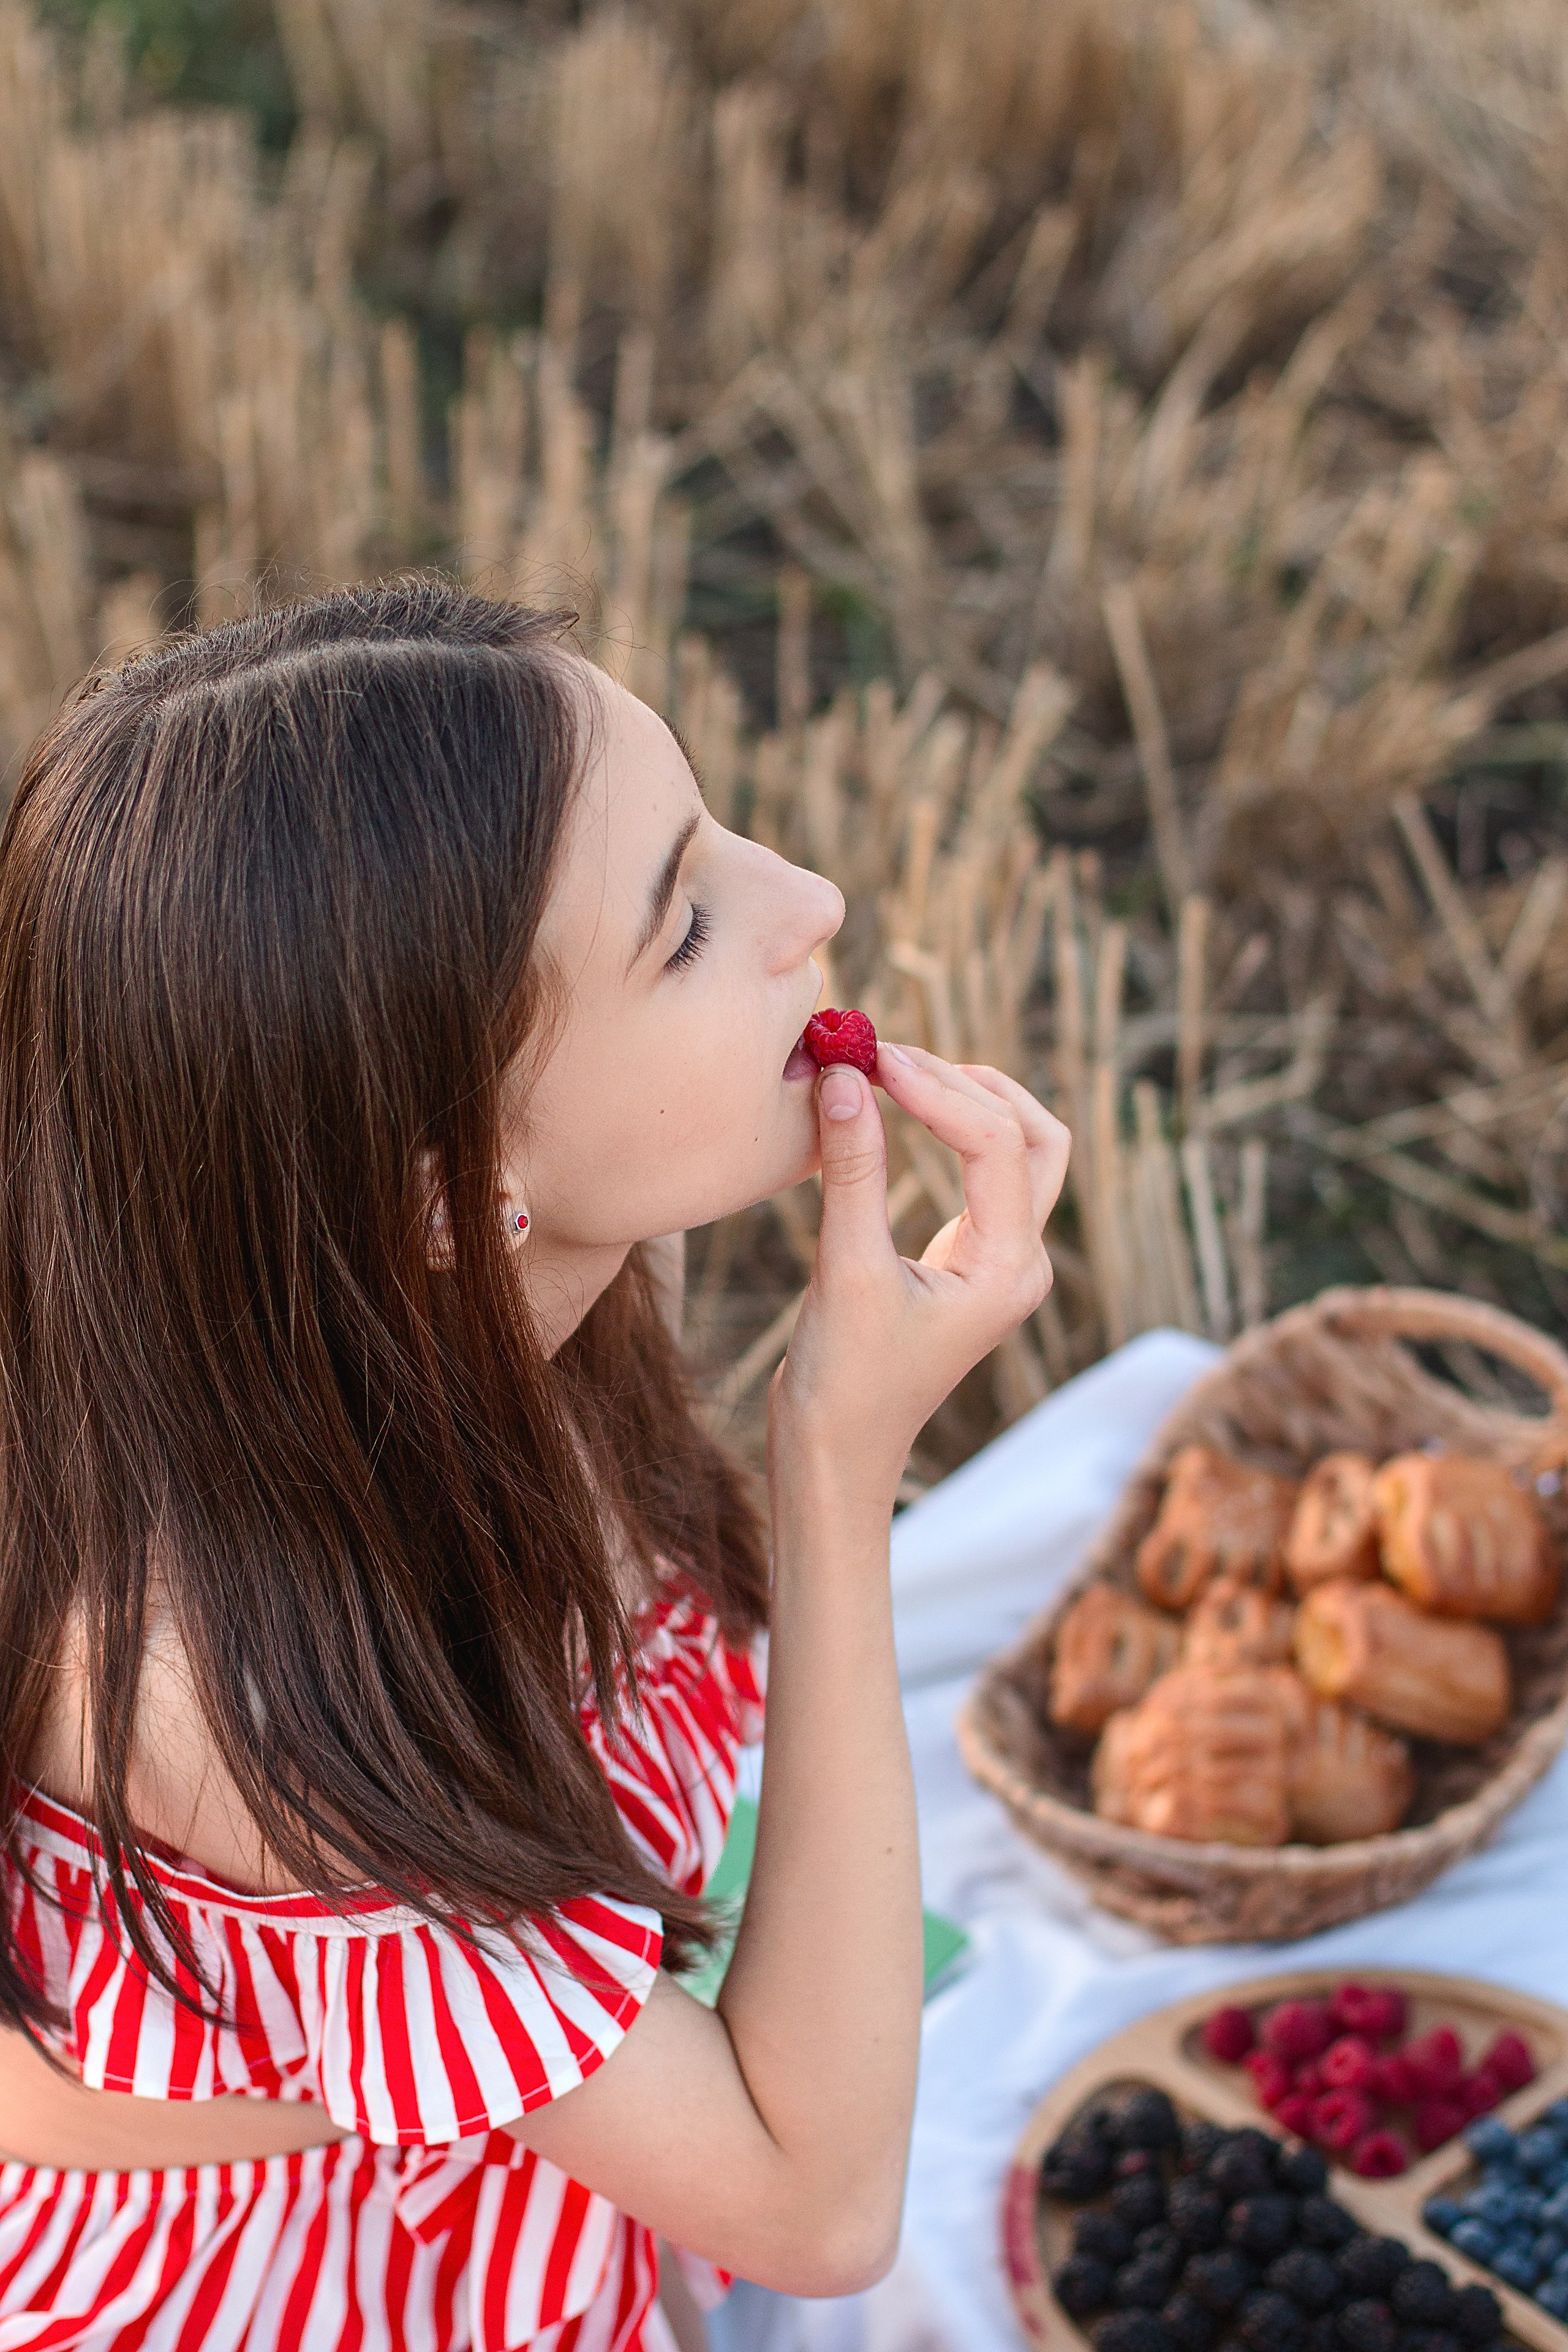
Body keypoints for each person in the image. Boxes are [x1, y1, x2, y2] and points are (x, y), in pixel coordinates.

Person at [0, 581, 1069, 2351]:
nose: (814, 902)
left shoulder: (459, 1319)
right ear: (442, 1185)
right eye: (686, 927)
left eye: (716, 837)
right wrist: (838, 1464)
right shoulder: (257, 1703)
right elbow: (818, 2206)